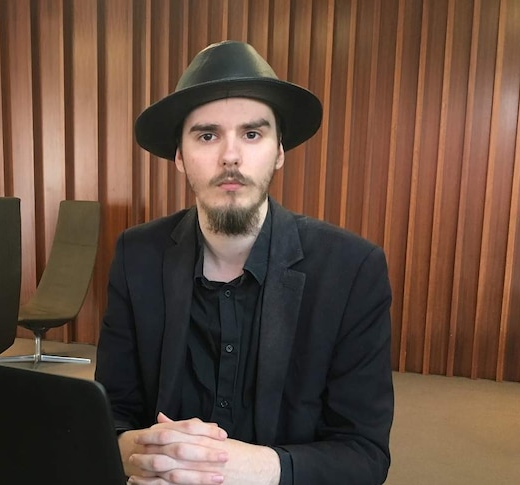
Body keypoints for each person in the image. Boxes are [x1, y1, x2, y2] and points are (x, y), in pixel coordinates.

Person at [95, 40, 393, 485]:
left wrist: (250, 467)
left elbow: (365, 455)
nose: (230, 156)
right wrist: (139, 453)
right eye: (207, 135)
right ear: (179, 156)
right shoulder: (136, 255)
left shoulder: (352, 269)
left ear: (278, 151)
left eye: (252, 134)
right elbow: (111, 415)